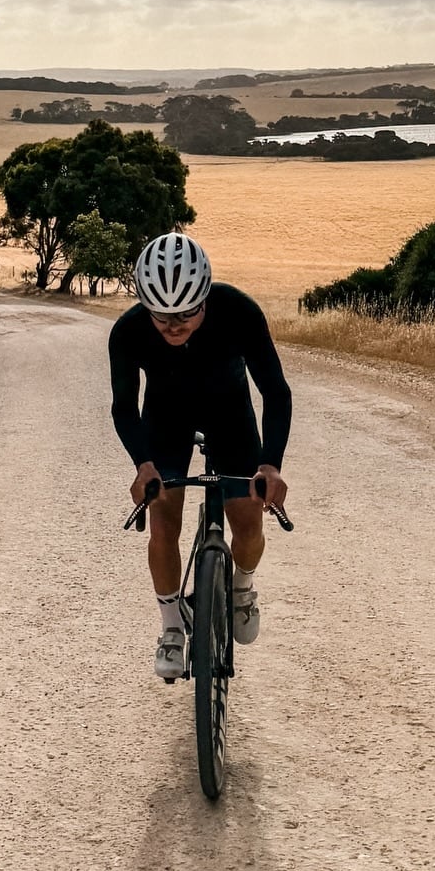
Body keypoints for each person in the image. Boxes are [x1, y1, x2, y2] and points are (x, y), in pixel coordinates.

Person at [109, 232, 291, 681]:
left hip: (230, 412)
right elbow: (123, 406)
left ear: (206, 298)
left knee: (248, 520)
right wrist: (142, 465)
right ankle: (172, 628)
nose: (172, 325)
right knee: (163, 519)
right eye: (161, 315)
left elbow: (275, 391)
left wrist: (270, 464)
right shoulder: (128, 332)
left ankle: (242, 588)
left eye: (186, 313)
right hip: (165, 417)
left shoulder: (239, 311)